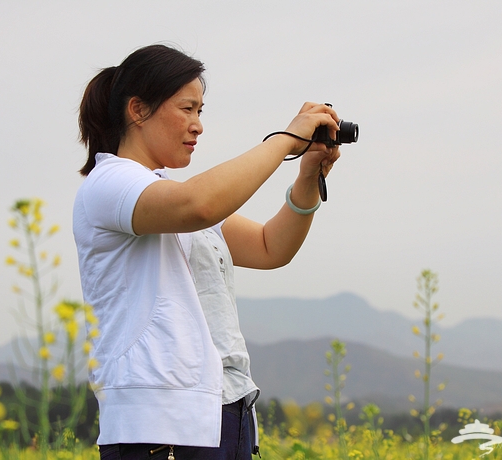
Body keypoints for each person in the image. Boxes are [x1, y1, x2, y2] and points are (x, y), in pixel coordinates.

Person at [73, 44, 340, 460]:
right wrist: (286, 139)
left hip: (223, 404)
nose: (198, 125)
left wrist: (308, 175)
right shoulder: (108, 184)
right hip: (157, 421)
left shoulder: (173, 199)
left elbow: (273, 247)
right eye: (187, 108)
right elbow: (200, 206)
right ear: (137, 110)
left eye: (201, 111)